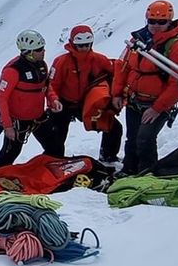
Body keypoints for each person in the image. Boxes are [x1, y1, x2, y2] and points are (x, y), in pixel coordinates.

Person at [112, 0, 178, 175]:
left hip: (158, 104)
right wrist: (117, 93)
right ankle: (129, 170)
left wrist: (158, 108)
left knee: (145, 139)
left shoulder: (177, 47)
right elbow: (123, 66)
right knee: (132, 139)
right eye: (152, 21)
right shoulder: (137, 41)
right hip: (135, 101)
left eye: (161, 22)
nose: (155, 26)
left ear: (170, 21)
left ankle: (147, 174)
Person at [41, 25, 121, 163]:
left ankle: (108, 158)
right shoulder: (61, 62)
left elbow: (116, 73)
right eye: (80, 45)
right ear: (72, 44)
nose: (84, 48)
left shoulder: (99, 59)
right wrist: (53, 103)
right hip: (63, 103)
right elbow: (51, 85)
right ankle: (53, 163)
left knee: (114, 128)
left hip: (86, 103)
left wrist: (116, 95)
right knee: (56, 137)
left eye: (87, 45)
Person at [0, 29, 62, 168]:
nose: (43, 51)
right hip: (17, 122)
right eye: (39, 49)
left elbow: (46, 86)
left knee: (56, 147)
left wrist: (53, 99)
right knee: (10, 154)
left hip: (38, 117)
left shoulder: (42, 65)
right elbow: (1, 99)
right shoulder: (12, 70)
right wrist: (7, 126)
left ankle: (48, 174)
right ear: (29, 52)